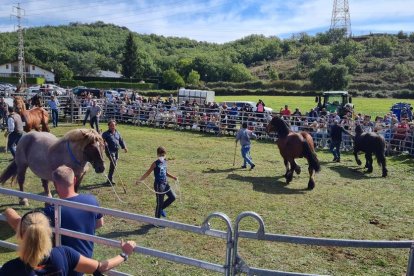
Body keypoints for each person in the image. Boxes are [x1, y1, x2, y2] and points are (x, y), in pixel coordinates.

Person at [4, 165, 104, 269]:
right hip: (86, 261)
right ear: (74, 180)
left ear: (55, 184)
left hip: (63, 265)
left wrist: (8, 211)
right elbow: (99, 223)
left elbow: (23, 225)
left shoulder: (52, 211)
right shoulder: (92, 200)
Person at [0, 210, 135, 276]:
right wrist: (124, 254)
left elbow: (16, 218)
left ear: (21, 234)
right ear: (48, 233)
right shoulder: (64, 254)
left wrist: (7, 210)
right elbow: (100, 267)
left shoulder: (9, 269)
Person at [137, 146, 177, 220]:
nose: (162, 156)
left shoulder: (165, 162)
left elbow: (165, 172)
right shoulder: (155, 164)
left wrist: (173, 177)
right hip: (159, 185)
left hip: (165, 183)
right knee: (160, 202)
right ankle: (156, 221)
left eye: (163, 155)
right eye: (160, 155)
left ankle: (161, 209)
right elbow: (147, 173)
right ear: (157, 155)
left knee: (173, 197)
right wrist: (140, 180)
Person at [102, 119, 128, 184]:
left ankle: (109, 179)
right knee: (113, 162)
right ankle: (110, 179)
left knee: (114, 164)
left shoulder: (117, 133)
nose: (112, 127)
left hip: (116, 151)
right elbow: (100, 141)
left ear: (115, 126)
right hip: (109, 150)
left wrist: (124, 147)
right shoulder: (105, 134)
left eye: (113, 125)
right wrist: (104, 143)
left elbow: (121, 140)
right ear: (108, 126)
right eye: (111, 125)